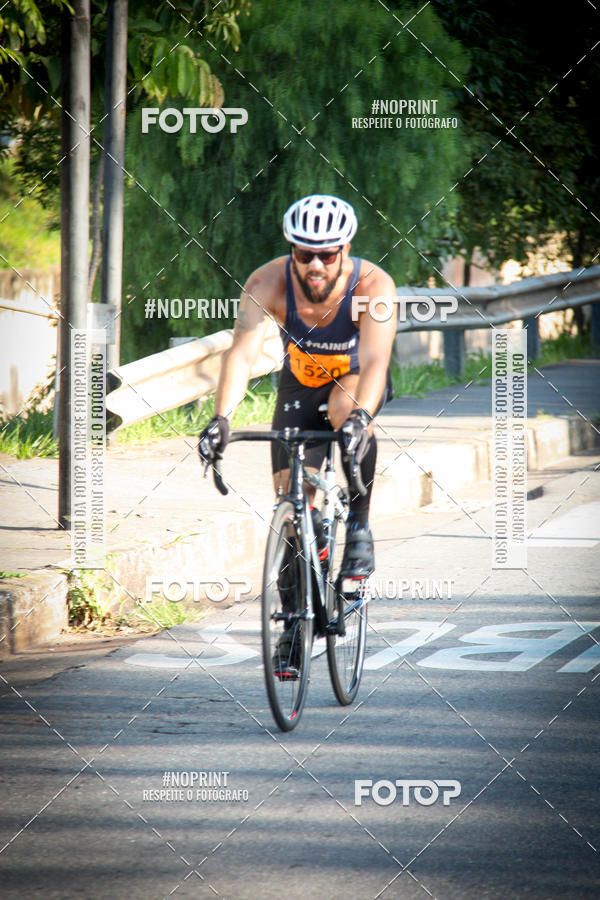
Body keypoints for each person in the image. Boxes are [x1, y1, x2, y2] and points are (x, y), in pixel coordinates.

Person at [199, 195, 396, 666]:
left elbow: (374, 361)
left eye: (326, 254)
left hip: (353, 382)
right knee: (290, 505)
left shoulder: (374, 285)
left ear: (345, 249)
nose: (314, 265)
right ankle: (293, 624)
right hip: (299, 385)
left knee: (341, 412)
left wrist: (359, 420)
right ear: (291, 249)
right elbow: (241, 355)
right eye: (303, 253)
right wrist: (220, 418)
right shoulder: (266, 281)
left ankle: (361, 524)